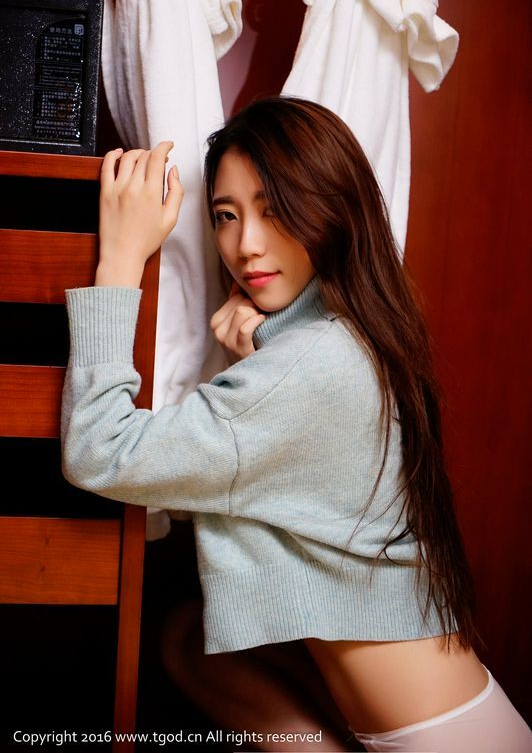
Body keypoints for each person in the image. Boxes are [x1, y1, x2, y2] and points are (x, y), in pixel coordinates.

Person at [61, 96, 531, 752]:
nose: (245, 245)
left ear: (332, 208)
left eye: (275, 209)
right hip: (440, 727)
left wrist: (119, 261)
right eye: (226, 216)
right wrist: (256, 359)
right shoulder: (353, 336)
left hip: (448, 743)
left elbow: (99, 450)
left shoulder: (313, 366)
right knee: (188, 640)